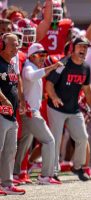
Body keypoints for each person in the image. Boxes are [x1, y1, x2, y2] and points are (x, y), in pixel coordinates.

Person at [45, 36, 91, 182]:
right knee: (54, 140)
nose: (83, 49)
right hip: (56, 107)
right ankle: (52, 172)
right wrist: (53, 97)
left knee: (83, 137)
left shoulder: (85, 67)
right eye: (80, 46)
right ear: (73, 48)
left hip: (73, 109)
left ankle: (78, 167)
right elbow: (49, 84)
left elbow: (87, 89)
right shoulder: (63, 64)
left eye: (86, 47)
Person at [13, 43, 62, 185]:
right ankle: (45, 176)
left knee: (24, 144)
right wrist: (52, 67)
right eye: (41, 55)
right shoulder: (29, 66)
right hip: (30, 112)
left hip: (29, 111)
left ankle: (16, 173)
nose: (43, 58)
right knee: (49, 140)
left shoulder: (34, 65)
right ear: (32, 55)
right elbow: (31, 76)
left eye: (45, 55)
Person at [0, 33, 26, 195]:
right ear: (2, 45)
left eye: (17, 45)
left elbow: (15, 85)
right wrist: (3, 100)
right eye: (13, 44)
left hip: (11, 115)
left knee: (10, 151)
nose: (17, 48)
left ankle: (7, 184)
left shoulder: (10, 64)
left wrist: (21, 101)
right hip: (1, 113)